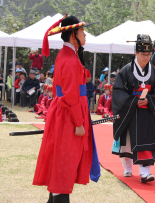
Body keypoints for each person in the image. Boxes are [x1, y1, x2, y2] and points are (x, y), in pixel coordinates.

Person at [33, 15, 100, 202]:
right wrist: (79, 123)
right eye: (82, 31)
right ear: (73, 35)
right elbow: (70, 96)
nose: (85, 34)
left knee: (61, 164)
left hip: (63, 113)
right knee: (64, 164)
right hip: (68, 117)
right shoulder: (70, 59)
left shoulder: (67, 55)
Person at [111, 34, 155, 183]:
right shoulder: (126, 70)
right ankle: (128, 167)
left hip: (147, 113)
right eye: (143, 54)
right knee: (127, 142)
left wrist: (148, 100)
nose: (146, 57)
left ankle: (145, 173)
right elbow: (118, 91)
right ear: (136, 53)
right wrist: (134, 101)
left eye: (148, 54)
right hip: (130, 111)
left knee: (146, 142)